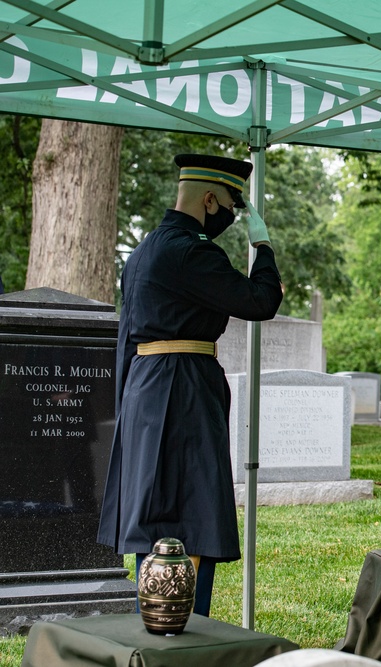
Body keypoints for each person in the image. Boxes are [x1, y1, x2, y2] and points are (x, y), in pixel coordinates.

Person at [98, 153, 283, 616]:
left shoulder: (142, 251)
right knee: (189, 511)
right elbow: (260, 301)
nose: (230, 217)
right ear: (209, 199)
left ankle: (155, 615)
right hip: (181, 390)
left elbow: (126, 338)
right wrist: (263, 249)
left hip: (145, 388)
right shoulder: (191, 251)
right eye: (230, 207)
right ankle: (185, 626)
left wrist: (126, 404)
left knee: (156, 512)